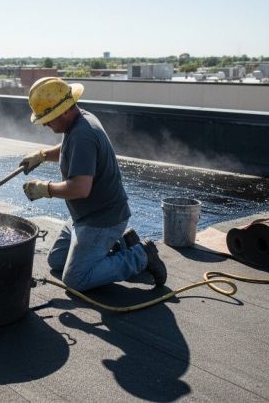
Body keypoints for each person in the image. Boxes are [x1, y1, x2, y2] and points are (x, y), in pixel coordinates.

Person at [20, 76, 166, 291]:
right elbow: (68, 150)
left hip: (103, 220)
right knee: (57, 260)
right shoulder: (80, 121)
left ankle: (140, 256)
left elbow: (80, 188)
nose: (46, 124)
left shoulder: (83, 134)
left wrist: (44, 189)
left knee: (76, 279)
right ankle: (122, 245)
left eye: (49, 119)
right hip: (84, 217)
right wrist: (41, 155)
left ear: (65, 110)